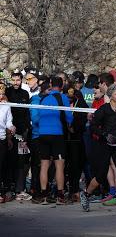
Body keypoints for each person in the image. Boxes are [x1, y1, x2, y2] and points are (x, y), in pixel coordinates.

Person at [80, 84, 116, 213]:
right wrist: (104, 135)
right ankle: (86, 194)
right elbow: (92, 126)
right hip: (105, 145)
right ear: (110, 96)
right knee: (101, 175)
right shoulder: (103, 110)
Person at [33, 76, 73, 205]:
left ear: (50, 84)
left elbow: (36, 120)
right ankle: (60, 197)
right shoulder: (63, 98)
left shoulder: (43, 98)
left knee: (44, 165)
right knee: (59, 165)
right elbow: (69, 117)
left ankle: (44, 196)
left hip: (42, 134)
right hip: (57, 134)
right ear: (62, 86)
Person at [5, 70, 31, 201]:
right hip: (8, 133)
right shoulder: (7, 93)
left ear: (21, 81)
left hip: (22, 134)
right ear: (11, 80)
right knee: (9, 161)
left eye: (18, 80)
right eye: (14, 80)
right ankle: (8, 189)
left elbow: (27, 113)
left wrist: (26, 130)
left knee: (22, 160)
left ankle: (20, 189)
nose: (16, 83)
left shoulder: (25, 93)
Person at [0, 85, 16, 203]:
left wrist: (12, 127)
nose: (1, 96)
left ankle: (1, 192)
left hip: (2, 139)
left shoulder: (6, 106)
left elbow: (8, 122)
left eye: (2, 93)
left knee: (1, 166)